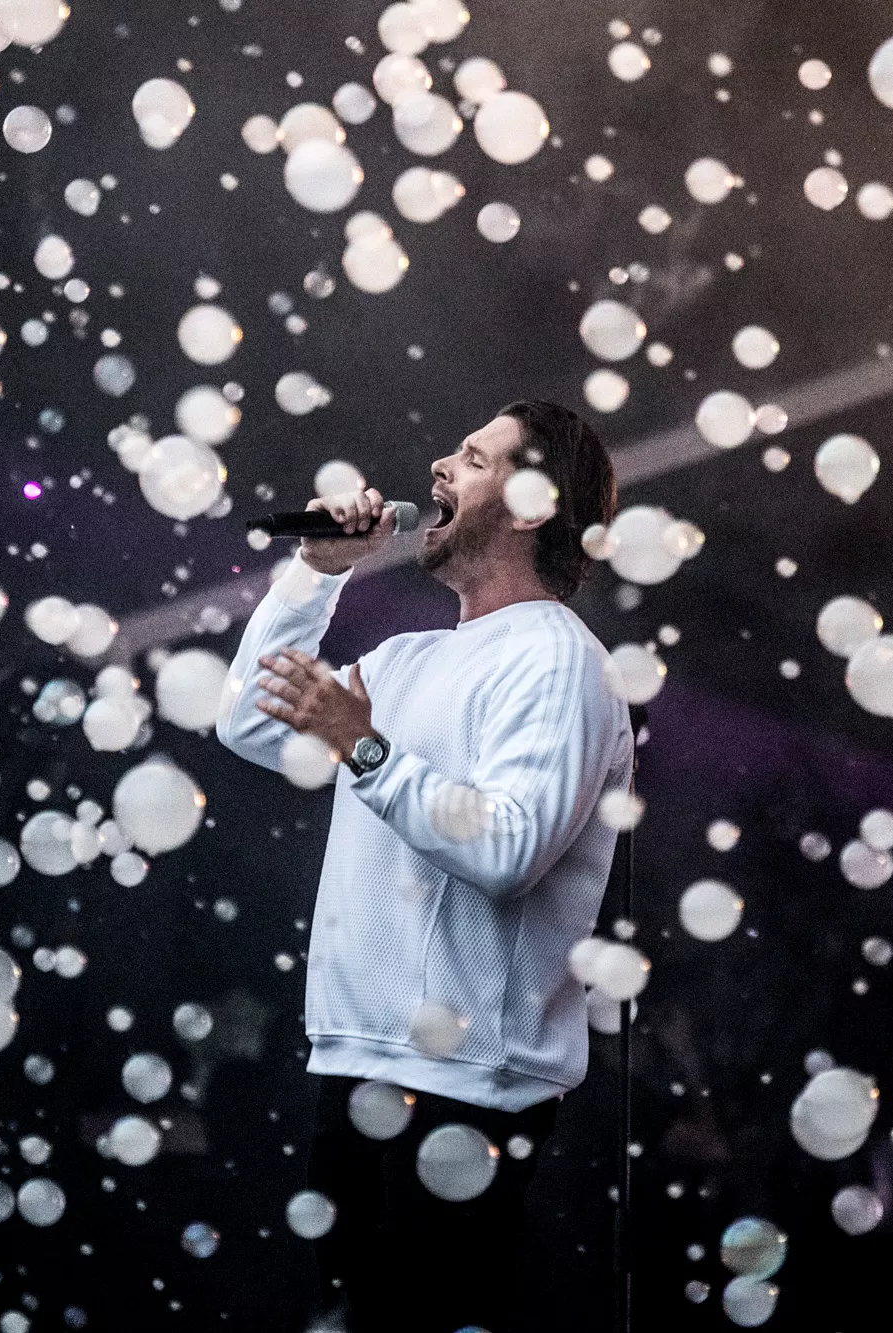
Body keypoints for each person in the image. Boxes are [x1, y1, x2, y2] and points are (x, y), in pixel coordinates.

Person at [216, 400, 632, 1332]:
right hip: (356, 1064)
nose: (438, 464)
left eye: (472, 455)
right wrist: (316, 573)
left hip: (468, 1091)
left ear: (529, 503)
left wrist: (363, 749)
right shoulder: (404, 659)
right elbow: (243, 722)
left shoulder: (561, 661)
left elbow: (509, 850)